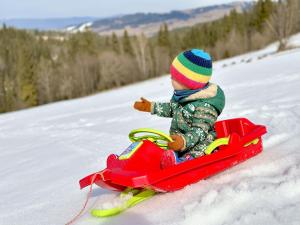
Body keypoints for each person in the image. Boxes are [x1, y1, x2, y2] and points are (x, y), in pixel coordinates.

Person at [134, 49, 225, 168]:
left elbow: (200, 132)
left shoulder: (205, 106)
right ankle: (155, 161)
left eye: (174, 78)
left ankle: (182, 164)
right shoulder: (182, 96)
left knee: (199, 151)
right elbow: (171, 108)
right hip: (180, 143)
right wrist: (150, 107)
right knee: (160, 147)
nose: (171, 79)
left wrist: (183, 141)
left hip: (200, 144)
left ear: (189, 82)